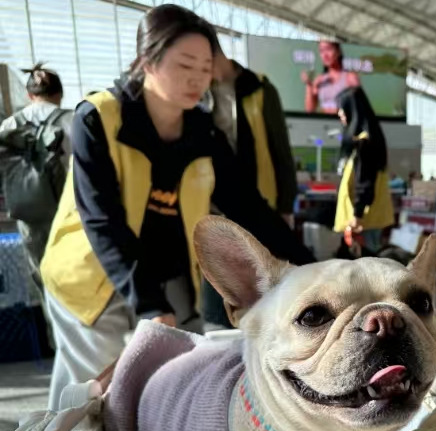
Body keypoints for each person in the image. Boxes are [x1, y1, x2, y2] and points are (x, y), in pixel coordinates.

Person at [40, 4, 315, 410]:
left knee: (170, 387)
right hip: (94, 276)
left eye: (205, 67)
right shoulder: (98, 118)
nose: (197, 78)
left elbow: (249, 208)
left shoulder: (203, 132)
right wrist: (150, 304)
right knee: (88, 399)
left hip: (169, 277)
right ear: (148, 60)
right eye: (185, 64)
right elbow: (102, 221)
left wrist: (312, 268)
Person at [203, 43, 299, 328]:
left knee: (269, 283)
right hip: (216, 205)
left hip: (260, 201)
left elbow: (281, 149)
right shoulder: (199, 93)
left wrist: (285, 206)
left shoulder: (259, 88)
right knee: (226, 285)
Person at [0, 64, 72, 287]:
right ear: (59, 95)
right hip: (68, 208)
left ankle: (48, 306)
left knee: (41, 272)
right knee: (73, 269)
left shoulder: (10, 125)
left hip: (27, 211)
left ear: (30, 95)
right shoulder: (74, 120)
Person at [332, 87, 393, 252]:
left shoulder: (365, 144)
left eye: (342, 108)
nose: (339, 113)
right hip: (367, 220)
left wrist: (357, 214)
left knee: (368, 263)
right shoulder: (368, 141)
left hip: (363, 221)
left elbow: (365, 181)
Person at [301, 40, 360, 114]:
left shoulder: (350, 78)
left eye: (328, 49)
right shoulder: (319, 80)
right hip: (325, 120)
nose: (325, 55)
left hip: (344, 120)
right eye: (321, 51)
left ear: (338, 51)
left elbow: (359, 108)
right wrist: (309, 84)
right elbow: (309, 110)